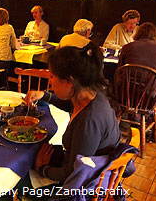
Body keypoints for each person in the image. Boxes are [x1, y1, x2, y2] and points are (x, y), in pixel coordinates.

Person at [25, 42, 120, 185]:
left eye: (52, 77)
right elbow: (69, 104)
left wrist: (42, 168)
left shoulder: (88, 122)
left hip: (88, 182)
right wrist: (44, 95)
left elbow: (73, 172)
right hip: (81, 165)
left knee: (21, 179)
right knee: (33, 151)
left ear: (69, 82)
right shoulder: (90, 95)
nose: (50, 82)